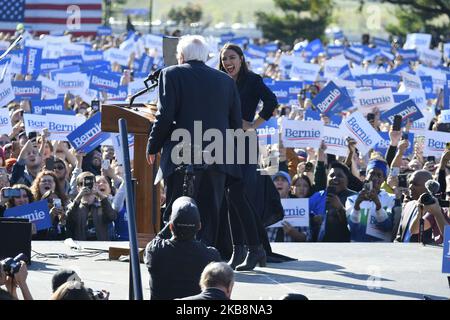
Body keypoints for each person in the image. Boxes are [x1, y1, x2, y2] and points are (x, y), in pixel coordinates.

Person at [146, 35, 242, 247]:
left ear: (181, 56)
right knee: (209, 212)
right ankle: (208, 258)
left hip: (182, 155)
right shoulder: (226, 80)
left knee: (179, 209)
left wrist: (152, 146)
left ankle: (176, 256)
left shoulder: (170, 74)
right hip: (218, 156)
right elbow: (236, 123)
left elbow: (165, 116)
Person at [218, 43, 278, 268]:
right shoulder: (219, 80)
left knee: (236, 194)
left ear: (241, 59)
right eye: (224, 59)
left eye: (232, 58)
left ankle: (254, 250)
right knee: (229, 196)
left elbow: (271, 102)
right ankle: (240, 250)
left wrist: (253, 125)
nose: (228, 63)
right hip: (222, 142)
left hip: (245, 142)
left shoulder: (252, 80)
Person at [144, 196, 221, 300]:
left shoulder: (155, 251)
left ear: (171, 227)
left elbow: (157, 239)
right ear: (199, 226)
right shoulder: (211, 256)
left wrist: (170, 224)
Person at [345, 159, 397, 242]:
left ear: (384, 179)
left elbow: (387, 227)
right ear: (366, 175)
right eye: (372, 173)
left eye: (379, 175)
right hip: (358, 249)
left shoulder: (391, 199)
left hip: (381, 250)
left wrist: (378, 205)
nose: (375, 177)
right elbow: (352, 228)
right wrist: (357, 206)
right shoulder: (352, 199)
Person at [395, 170, 449, 243]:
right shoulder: (409, 205)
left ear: (428, 188)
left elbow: (448, 239)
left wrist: (437, 213)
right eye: (448, 193)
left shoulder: (437, 210)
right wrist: (420, 213)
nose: (410, 187)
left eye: (415, 184)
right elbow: (413, 230)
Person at [309, 162, 357, 242]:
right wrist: (313, 220)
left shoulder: (355, 197)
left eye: (340, 176)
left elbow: (356, 225)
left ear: (347, 179)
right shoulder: (318, 196)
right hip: (320, 248)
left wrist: (340, 208)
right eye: (331, 175)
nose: (335, 178)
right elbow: (305, 217)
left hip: (344, 247)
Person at [66, 172, 118, 241]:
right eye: (82, 183)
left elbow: (112, 216)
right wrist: (78, 197)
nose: (87, 185)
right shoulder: (74, 206)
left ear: (96, 185)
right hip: (82, 247)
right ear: (78, 188)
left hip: (101, 247)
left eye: (91, 183)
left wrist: (100, 195)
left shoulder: (103, 204)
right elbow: (68, 220)